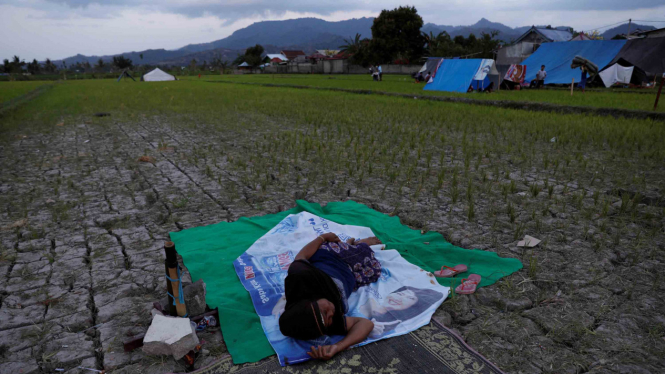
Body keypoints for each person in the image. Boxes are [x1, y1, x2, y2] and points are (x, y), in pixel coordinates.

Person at [279, 233, 382, 360]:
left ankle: (356, 244)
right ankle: (350, 245)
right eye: (329, 320)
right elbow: (366, 324)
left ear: (311, 301)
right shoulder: (317, 322)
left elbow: (302, 256)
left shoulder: (300, 277)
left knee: (365, 252)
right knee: (374, 271)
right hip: (349, 277)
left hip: (332, 257)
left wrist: (322, 237)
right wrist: (338, 346)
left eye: (324, 311)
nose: (331, 313)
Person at [359, 286, 444, 338]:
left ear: (411, 309)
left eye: (410, 298)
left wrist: (371, 333)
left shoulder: (388, 328)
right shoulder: (366, 297)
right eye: (400, 294)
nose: (399, 298)